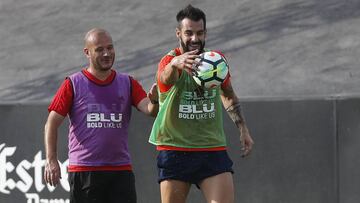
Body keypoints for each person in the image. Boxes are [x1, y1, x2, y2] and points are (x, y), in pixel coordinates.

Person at [149, 4, 254, 203]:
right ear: (178, 33)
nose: (195, 39)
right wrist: (175, 64)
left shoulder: (215, 62)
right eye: (189, 33)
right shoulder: (168, 62)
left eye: (200, 33)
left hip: (211, 148)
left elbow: (229, 95)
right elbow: (165, 78)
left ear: (205, 33)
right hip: (175, 149)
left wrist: (243, 129)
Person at [44, 28, 159, 203]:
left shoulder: (127, 82)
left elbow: (150, 110)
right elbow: (51, 124)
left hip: (120, 171)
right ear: (87, 52)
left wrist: (156, 100)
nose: (107, 53)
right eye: (99, 49)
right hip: (85, 171)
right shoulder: (73, 84)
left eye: (110, 48)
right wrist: (51, 160)